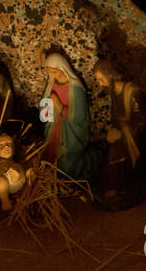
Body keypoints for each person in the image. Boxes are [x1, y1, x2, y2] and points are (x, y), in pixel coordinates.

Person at [91, 60, 146, 211]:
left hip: (136, 140)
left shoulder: (135, 93)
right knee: (108, 150)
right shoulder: (114, 92)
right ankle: (113, 189)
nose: (101, 84)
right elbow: (116, 118)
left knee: (116, 152)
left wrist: (122, 134)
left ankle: (118, 191)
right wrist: (113, 132)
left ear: (111, 75)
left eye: (101, 79)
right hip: (124, 136)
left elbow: (143, 125)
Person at [40, 51, 102, 181]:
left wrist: (59, 105)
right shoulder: (51, 82)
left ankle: (92, 160)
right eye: (49, 72)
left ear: (62, 69)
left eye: (54, 72)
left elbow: (80, 118)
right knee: (46, 160)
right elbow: (44, 110)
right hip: (53, 131)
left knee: (65, 167)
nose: (51, 75)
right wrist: (47, 107)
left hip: (69, 135)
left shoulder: (76, 88)